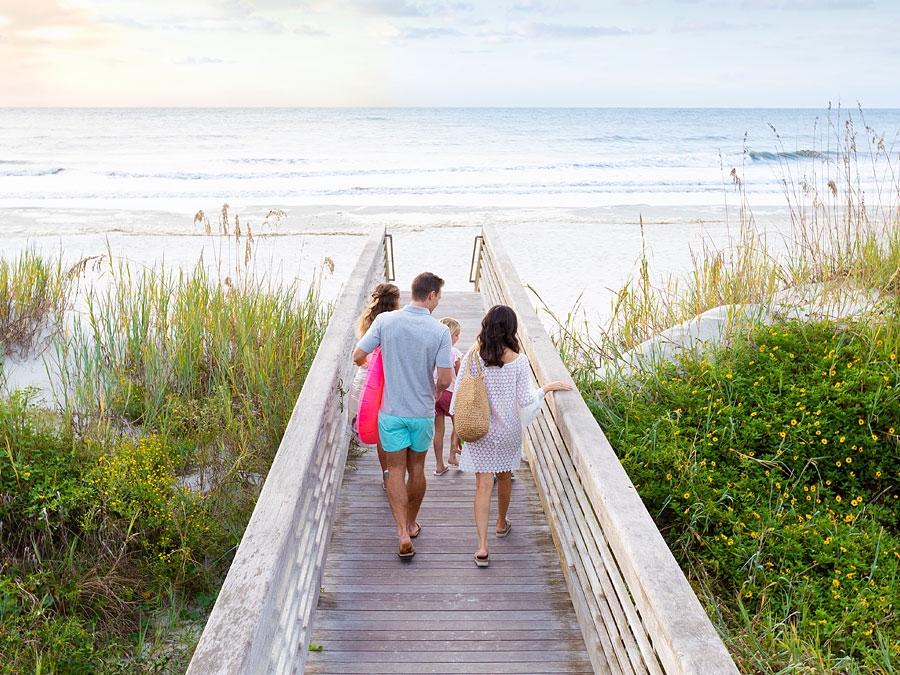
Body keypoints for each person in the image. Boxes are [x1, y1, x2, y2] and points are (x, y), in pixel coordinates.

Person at [451, 305, 573, 568]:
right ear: (510, 329)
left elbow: (459, 395)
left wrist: (455, 433)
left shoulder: (473, 356)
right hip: (507, 432)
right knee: (504, 475)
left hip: (479, 429)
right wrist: (546, 389)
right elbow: (525, 400)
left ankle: (482, 546)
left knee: (483, 485)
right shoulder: (518, 361)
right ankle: (501, 523)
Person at [352, 272, 454, 560]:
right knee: (417, 469)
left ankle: (402, 533)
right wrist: (435, 391)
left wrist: (382, 370)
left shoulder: (385, 321)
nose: (438, 301)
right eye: (439, 296)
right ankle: (411, 521)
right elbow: (446, 378)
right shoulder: (440, 332)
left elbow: (358, 356)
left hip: (391, 412)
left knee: (394, 471)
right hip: (421, 412)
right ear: (431, 295)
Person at [348, 282, 400, 489]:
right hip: (383, 379)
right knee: (388, 426)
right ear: (394, 302)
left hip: (368, 379)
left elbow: (360, 357)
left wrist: (368, 365)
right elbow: (358, 357)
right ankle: (392, 474)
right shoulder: (390, 323)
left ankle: (387, 474)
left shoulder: (368, 320)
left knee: (381, 429)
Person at [432, 317, 463, 476]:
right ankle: (452, 454)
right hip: (451, 394)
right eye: (456, 335)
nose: (458, 338)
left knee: (438, 431)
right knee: (458, 425)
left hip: (435, 395)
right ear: (449, 335)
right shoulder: (455, 352)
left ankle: (439, 465)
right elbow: (460, 376)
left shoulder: (432, 350)